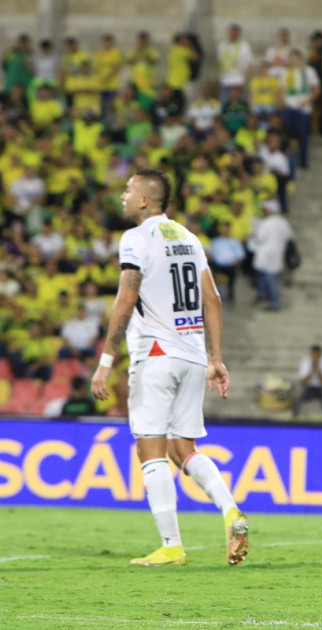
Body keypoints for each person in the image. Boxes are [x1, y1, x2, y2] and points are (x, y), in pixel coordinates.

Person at [90, 169, 249, 568]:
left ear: (145, 200)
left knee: (151, 449)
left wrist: (106, 361)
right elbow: (213, 299)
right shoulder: (189, 238)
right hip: (193, 355)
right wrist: (215, 358)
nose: (123, 195)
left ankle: (171, 546)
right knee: (184, 449)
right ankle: (231, 511)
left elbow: (126, 301)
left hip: (156, 354)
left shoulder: (136, 238)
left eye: (128, 190)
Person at [251, 199, 295, 311]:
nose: (263, 212)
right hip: (277, 253)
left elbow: (259, 238)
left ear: (270, 211)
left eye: (265, 210)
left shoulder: (266, 223)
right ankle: (263, 295)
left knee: (270, 278)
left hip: (265, 254)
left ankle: (275, 302)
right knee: (267, 276)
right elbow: (289, 237)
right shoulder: (283, 222)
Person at [292, 344, 322, 417]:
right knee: (298, 393)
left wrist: (318, 369)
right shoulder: (305, 362)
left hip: (321, 386)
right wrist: (311, 370)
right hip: (308, 386)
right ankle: (295, 414)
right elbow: (303, 380)